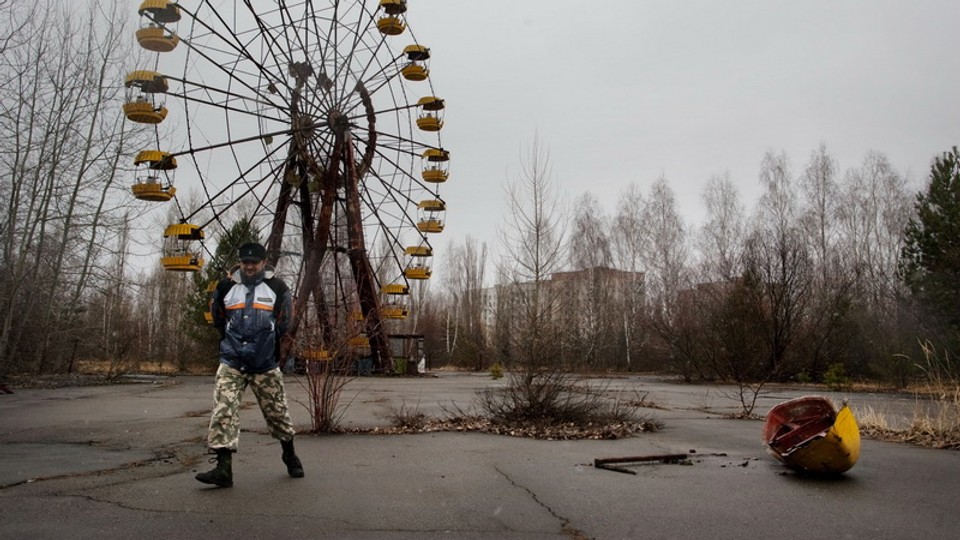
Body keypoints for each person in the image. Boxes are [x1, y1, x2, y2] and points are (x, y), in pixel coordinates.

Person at [195, 242, 303, 487]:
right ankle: (223, 468)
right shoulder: (225, 288)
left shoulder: (277, 288)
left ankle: (289, 452)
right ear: (240, 263)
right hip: (232, 360)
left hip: (264, 363)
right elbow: (218, 320)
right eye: (246, 262)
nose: (250, 266)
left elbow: (285, 323)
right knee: (223, 409)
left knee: (278, 415)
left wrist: (266, 342)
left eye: (255, 262)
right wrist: (232, 343)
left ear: (264, 263)